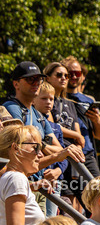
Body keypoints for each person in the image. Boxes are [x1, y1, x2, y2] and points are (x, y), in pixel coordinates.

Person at [3, 62, 81, 175]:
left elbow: (59, 149)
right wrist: (54, 154)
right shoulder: (12, 108)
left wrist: (41, 145)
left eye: (39, 79)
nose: (36, 83)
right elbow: (21, 155)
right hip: (21, 181)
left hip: (38, 183)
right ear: (16, 84)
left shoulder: (39, 115)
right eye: (30, 79)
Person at [0, 124, 48, 225]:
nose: (41, 154)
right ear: (15, 148)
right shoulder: (16, 179)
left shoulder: (11, 178)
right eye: (36, 148)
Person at [62, 56, 100, 181]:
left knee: (96, 192)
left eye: (77, 73)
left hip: (87, 154)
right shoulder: (55, 99)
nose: (74, 77)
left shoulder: (89, 100)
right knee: (71, 198)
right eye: (70, 73)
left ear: (83, 76)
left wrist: (97, 121)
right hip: (65, 154)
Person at [33, 83, 70, 217]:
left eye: (51, 99)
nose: (48, 102)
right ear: (33, 99)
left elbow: (64, 155)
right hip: (36, 177)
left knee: (51, 218)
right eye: (44, 98)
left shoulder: (56, 128)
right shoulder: (31, 123)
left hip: (54, 180)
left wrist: (58, 170)